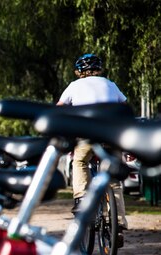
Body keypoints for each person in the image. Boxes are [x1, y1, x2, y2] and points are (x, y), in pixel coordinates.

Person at [57, 53, 129, 243]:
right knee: (112, 178)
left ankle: (81, 198)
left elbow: (59, 108)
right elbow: (125, 107)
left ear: (79, 71)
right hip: (112, 135)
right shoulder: (111, 84)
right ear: (99, 69)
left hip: (87, 133)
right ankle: (118, 224)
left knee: (79, 161)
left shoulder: (74, 86)